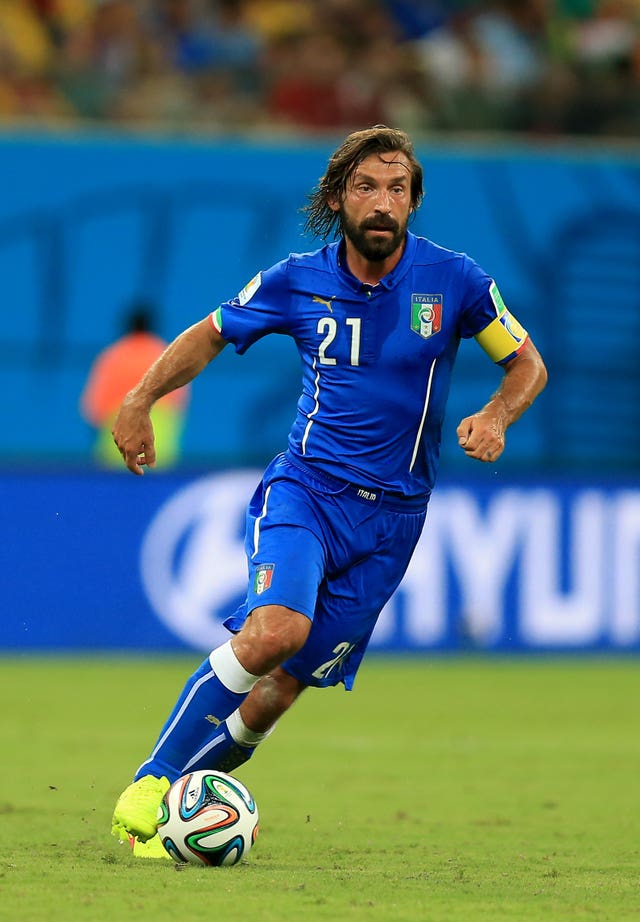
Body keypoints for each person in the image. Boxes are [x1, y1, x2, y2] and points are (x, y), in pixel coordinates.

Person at [110, 125, 547, 858]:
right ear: (339, 196)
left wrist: (498, 414)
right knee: (274, 632)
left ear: (414, 201)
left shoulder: (456, 281)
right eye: (367, 187)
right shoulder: (295, 279)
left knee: (280, 689)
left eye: (397, 188)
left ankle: (182, 818)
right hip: (308, 491)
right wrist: (137, 399)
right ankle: (154, 780)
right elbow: (212, 332)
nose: (382, 203)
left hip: (394, 524)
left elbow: (527, 363)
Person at [80, 302, 189, 469]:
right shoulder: (165, 353)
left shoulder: (112, 357)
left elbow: (93, 408)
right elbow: (179, 402)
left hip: (119, 445)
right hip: (159, 445)